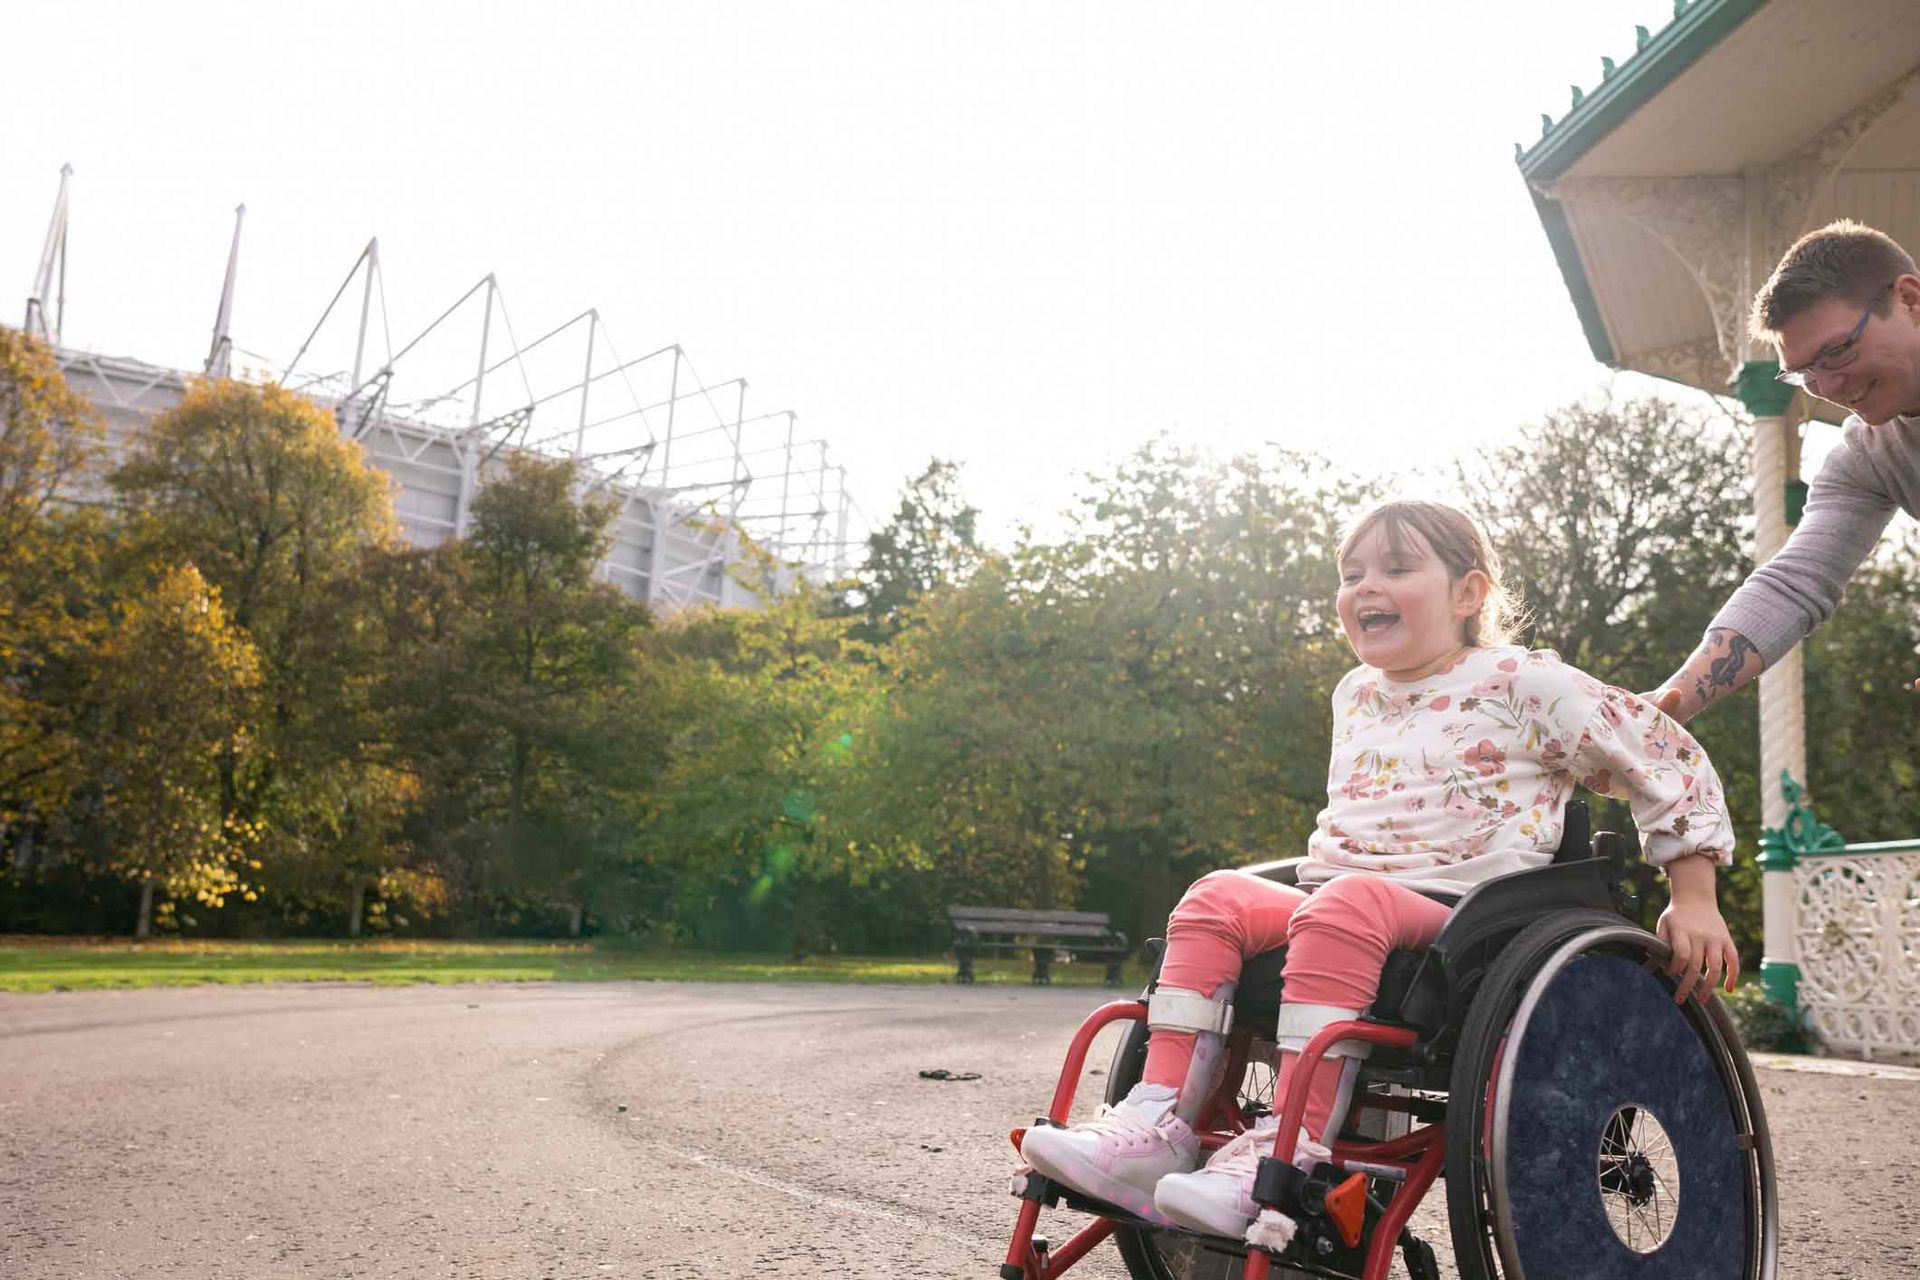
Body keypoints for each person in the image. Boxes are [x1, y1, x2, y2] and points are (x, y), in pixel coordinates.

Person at [1017, 499, 1739, 1245]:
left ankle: (1286, 1147)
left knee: (1345, 904)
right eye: (1351, 572)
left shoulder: (1524, 680)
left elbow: (1666, 756)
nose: (1366, 587)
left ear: (1468, 594)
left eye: (1397, 569)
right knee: (1217, 895)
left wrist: (1694, 895)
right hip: (1338, 899)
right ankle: (1155, 1122)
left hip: (1466, 916)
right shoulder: (1354, 691)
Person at [1653, 220, 1920, 722]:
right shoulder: (1867, 457)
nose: (1830, 385)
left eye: (1837, 351)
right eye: (1806, 373)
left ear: (1910, 300)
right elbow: (1791, 586)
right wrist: (1667, 706)